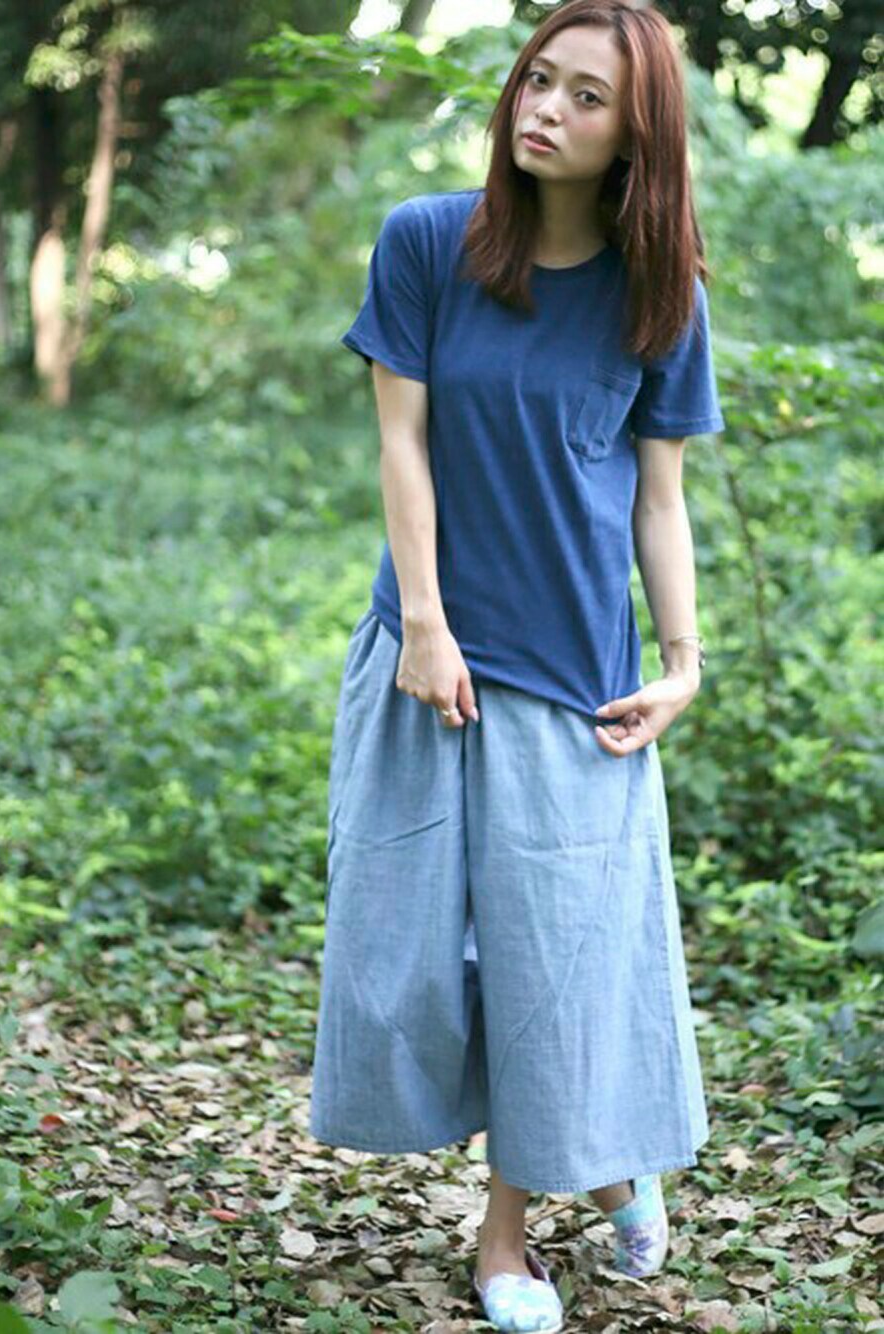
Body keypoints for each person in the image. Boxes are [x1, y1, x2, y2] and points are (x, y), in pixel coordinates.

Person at [309, 0, 725, 1328]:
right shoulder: (429, 242)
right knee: (412, 960)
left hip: (576, 685)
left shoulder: (661, 295)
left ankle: (506, 1238)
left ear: (637, 136)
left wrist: (684, 661)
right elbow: (402, 445)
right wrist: (427, 625)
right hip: (425, 660)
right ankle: (603, 1162)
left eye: (587, 97)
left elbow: (658, 499)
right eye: (540, 78)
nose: (545, 108)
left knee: (551, 967)